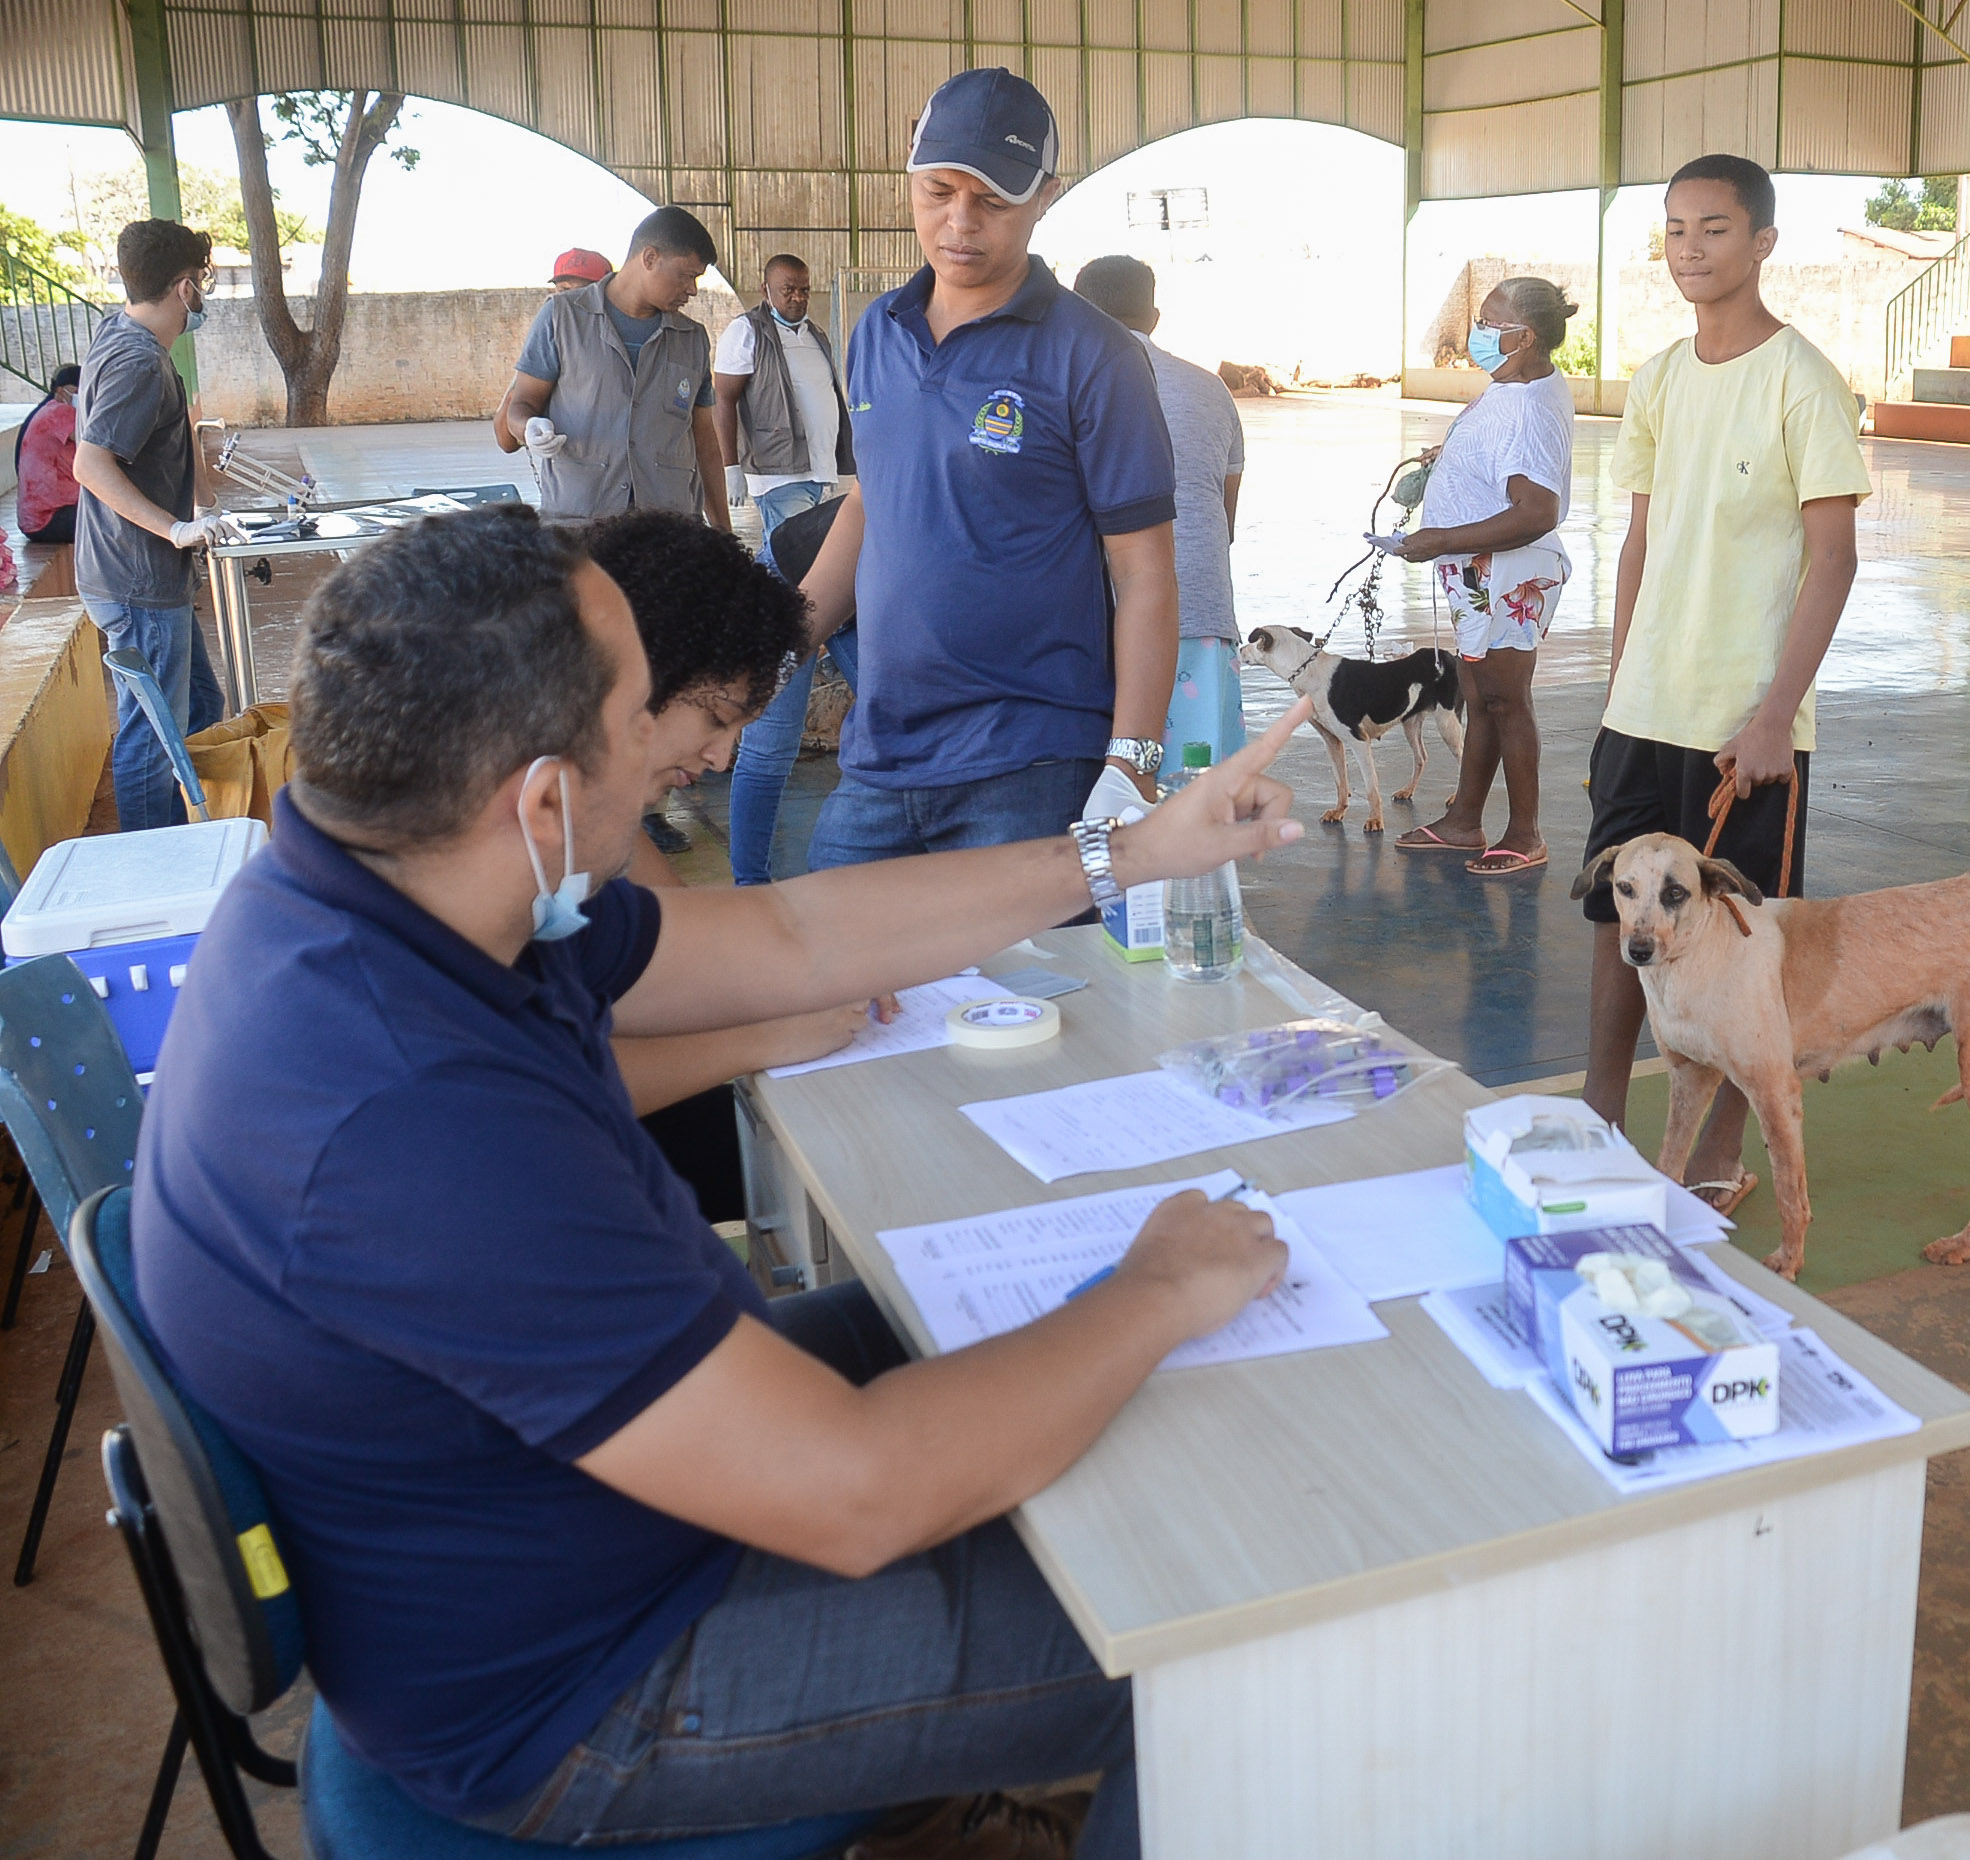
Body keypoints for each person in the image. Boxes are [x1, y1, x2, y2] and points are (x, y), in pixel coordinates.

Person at [136, 501, 1310, 1853]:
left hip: (571, 1525)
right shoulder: (409, 1115)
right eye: (645, 715)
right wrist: (1154, 1292)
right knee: (1211, 1627)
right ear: (539, 797)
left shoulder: (396, 893)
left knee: (979, 1309)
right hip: (583, 1693)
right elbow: (860, 1492)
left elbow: (792, 932)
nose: (675, 753)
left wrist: (1132, 853)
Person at [793, 69, 1181, 869]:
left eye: (995, 202)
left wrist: (1132, 764)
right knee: (832, 986)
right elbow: (872, 504)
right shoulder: (876, 334)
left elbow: (1145, 574)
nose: (959, 224)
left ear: (1047, 195)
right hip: (880, 755)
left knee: (1029, 996)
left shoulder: (1094, 357)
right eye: (938, 191)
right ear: (908, 170)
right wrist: (772, 646)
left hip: (1029, 767)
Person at [1578, 154, 1870, 1209]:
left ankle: (1714, 1158)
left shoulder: (1802, 380)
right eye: (1673, 231)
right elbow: (1638, 545)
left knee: (1742, 947)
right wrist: (1617, 692)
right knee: (1621, 924)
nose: (1689, 250)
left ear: (1761, 244)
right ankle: (1599, 1120)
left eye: (1712, 229)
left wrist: (1772, 716)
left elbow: (1831, 559)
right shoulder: (1656, 379)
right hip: (1642, 713)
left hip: (1743, 729)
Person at [578, 508, 879, 1219]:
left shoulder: (598, 815)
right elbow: (544, 1078)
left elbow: (686, 939)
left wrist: (823, 980)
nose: (720, 758)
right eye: (716, 721)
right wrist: (769, 1034)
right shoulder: (521, 834)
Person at [1387, 276, 1577, 877]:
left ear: (1525, 336)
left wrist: (1439, 540)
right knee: (1479, 696)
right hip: (1477, 574)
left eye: (1491, 325)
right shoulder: (1512, 384)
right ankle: (1465, 820)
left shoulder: (1530, 408)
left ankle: (1525, 833)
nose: (1478, 335)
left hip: (1509, 573)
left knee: (1505, 698)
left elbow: (1535, 511)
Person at [71, 218, 233, 831]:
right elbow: (91, 464)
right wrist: (173, 529)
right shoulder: (137, 361)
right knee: (152, 731)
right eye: (201, 282)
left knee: (201, 706)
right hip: (137, 579)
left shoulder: (125, 336)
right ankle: (153, 857)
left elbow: (170, 442)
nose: (202, 296)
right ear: (185, 287)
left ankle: (191, 828)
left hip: (136, 573)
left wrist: (206, 505)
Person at [1070, 254, 1248, 768]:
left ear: (1077, 313)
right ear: (1153, 318)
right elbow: (1223, 519)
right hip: (1200, 616)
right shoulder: (1210, 389)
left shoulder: (1065, 381)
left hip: (1093, 624)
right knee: (1195, 787)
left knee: (1101, 797)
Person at [494, 206, 730, 535]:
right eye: (686, 275)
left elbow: (704, 440)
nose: (692, 289)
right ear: (649, 258)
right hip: (581, 529)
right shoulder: (562, 319)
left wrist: (723, 533)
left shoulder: (691, 339)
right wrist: (529, 427)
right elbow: (521, 404)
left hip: (670, 534)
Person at [723, 493, 856, 884]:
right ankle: (750, 887)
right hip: (790, 578)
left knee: (905, 731)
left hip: (858, 599)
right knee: (767, 753)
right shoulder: (897, 500)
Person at [712, 252, 852, 540]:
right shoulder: (747, 331)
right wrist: (731, 467)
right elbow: (724, 399)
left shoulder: (814, 334)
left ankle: (751, 585)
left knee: (789, 557)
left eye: (804, 290)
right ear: (766, 290)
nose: (798, 298)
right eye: (788, 290)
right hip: (778, 474)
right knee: (792, 558)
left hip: (818, 470)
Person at [12, 363, 81, 545]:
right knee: (115, 522)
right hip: (48, 518)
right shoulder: (58, 412)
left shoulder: (46, 411)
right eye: (75, 391)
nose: (79, 396)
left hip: (36, 519)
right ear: (59, 391)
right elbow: (95, 443)